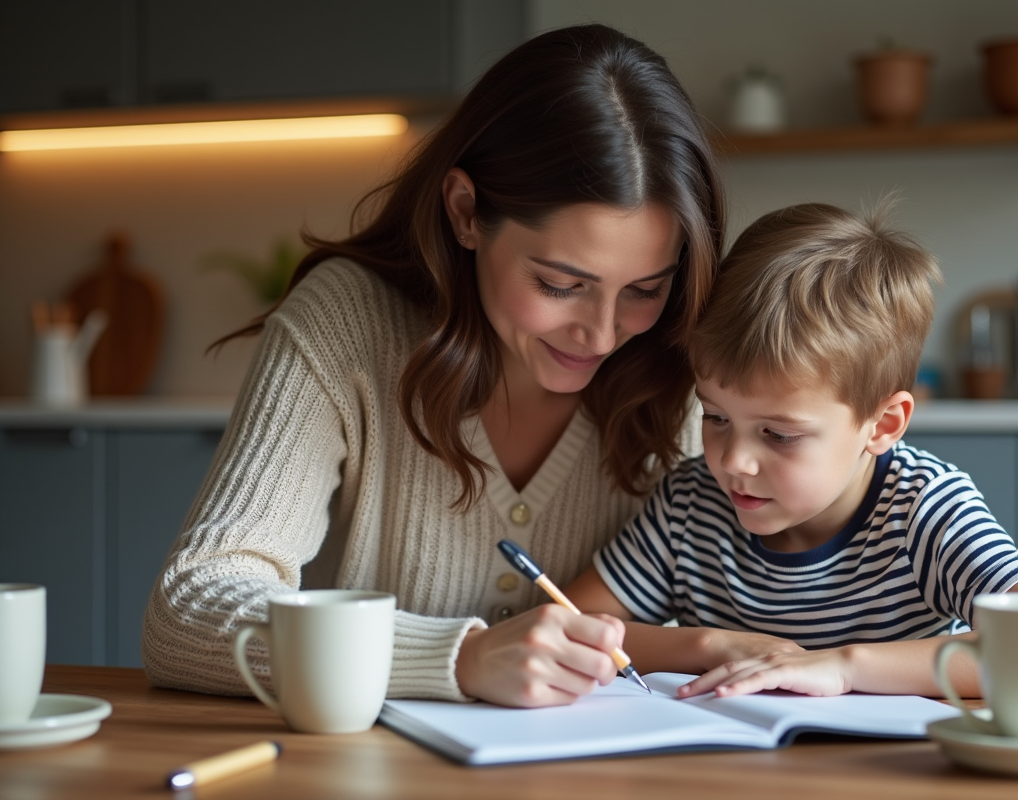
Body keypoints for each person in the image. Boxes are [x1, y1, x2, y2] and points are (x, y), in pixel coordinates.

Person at [141, 23, 725, 708]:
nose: (601, 334)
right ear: (466, 212)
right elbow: (186, 611)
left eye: (644, 290)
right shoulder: (348, 321)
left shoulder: (689, 364)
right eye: (560, 284)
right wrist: (462, 658)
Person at [566, 202, 1018, 699]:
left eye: (779, 435)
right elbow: (569, 621)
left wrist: (846, 667)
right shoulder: (691, 503)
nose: (733, 460)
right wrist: (713, 646)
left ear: (882, 424)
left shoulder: (923, 508)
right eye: (714, 417)